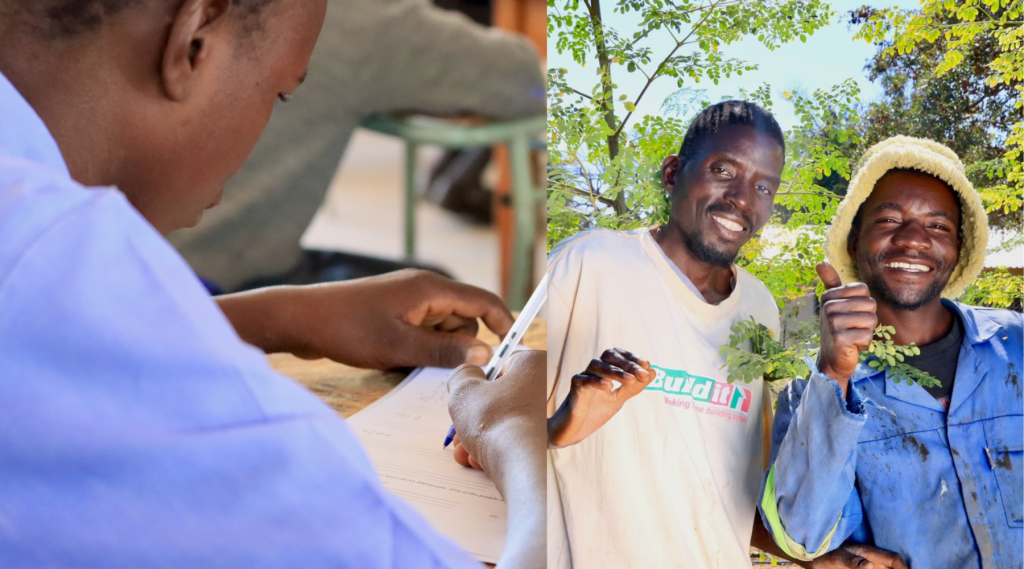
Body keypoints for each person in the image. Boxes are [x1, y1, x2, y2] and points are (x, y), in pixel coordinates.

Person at [0, 0, 542, 566]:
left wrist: (275, 317)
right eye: (281, 93)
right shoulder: (69, 268)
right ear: (193, 42)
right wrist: (515, 436)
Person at [545, 100, 903, 568]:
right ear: (673, 173)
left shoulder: (760, 308)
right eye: (722, 169)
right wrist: (562, 426)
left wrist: (814, 559)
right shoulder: (589, 264)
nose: (742, 198)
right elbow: (486, 428)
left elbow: (727, 493)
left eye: (763, 187)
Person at [759, 136, 1023, 568]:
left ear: (957, 253)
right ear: (854, 243)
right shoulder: (811, 394)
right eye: (889, 220)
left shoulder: (1017, 347)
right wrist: (835, 374)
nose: (914, 239)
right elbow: (799, 539)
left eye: (938, 226)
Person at [167, 0, 546, 291]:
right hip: (216, 276)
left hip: (147, 258)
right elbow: (522, 79)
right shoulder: (364, 19)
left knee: (420, 288)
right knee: (432, 295)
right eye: (282, 92)